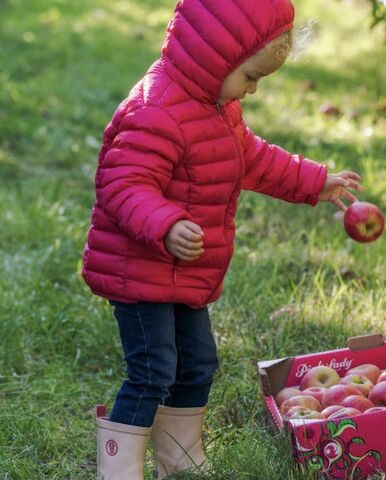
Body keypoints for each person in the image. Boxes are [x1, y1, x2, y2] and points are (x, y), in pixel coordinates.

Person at [82, 0, 362, 478]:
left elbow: (251, 158)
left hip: (184, 272)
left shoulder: (216, 106)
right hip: (140, 270)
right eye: (250, 76)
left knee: (198, 365)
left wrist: (315, 181)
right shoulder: (156, 109)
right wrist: (165, 224)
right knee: (153, 372)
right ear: (214, 58)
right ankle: (119, 469)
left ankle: (181, 459)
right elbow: (121, 184)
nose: (250, 90)